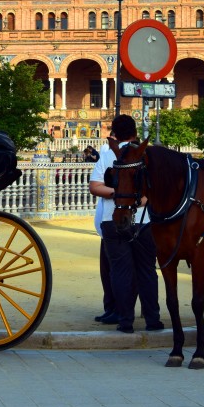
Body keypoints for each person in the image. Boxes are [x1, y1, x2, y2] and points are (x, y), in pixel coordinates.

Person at [88, 114, 163, 334]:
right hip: (142, 220)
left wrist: (117, 194)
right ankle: (152, 319)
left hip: (112, 220)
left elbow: (94, 186)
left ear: (114, 133)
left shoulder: (109, 153)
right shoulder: (144, 153)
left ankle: (125, 321)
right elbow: (155, 189)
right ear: (135, 132)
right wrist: (137, 198)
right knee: (147, 271)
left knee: (120, 271)